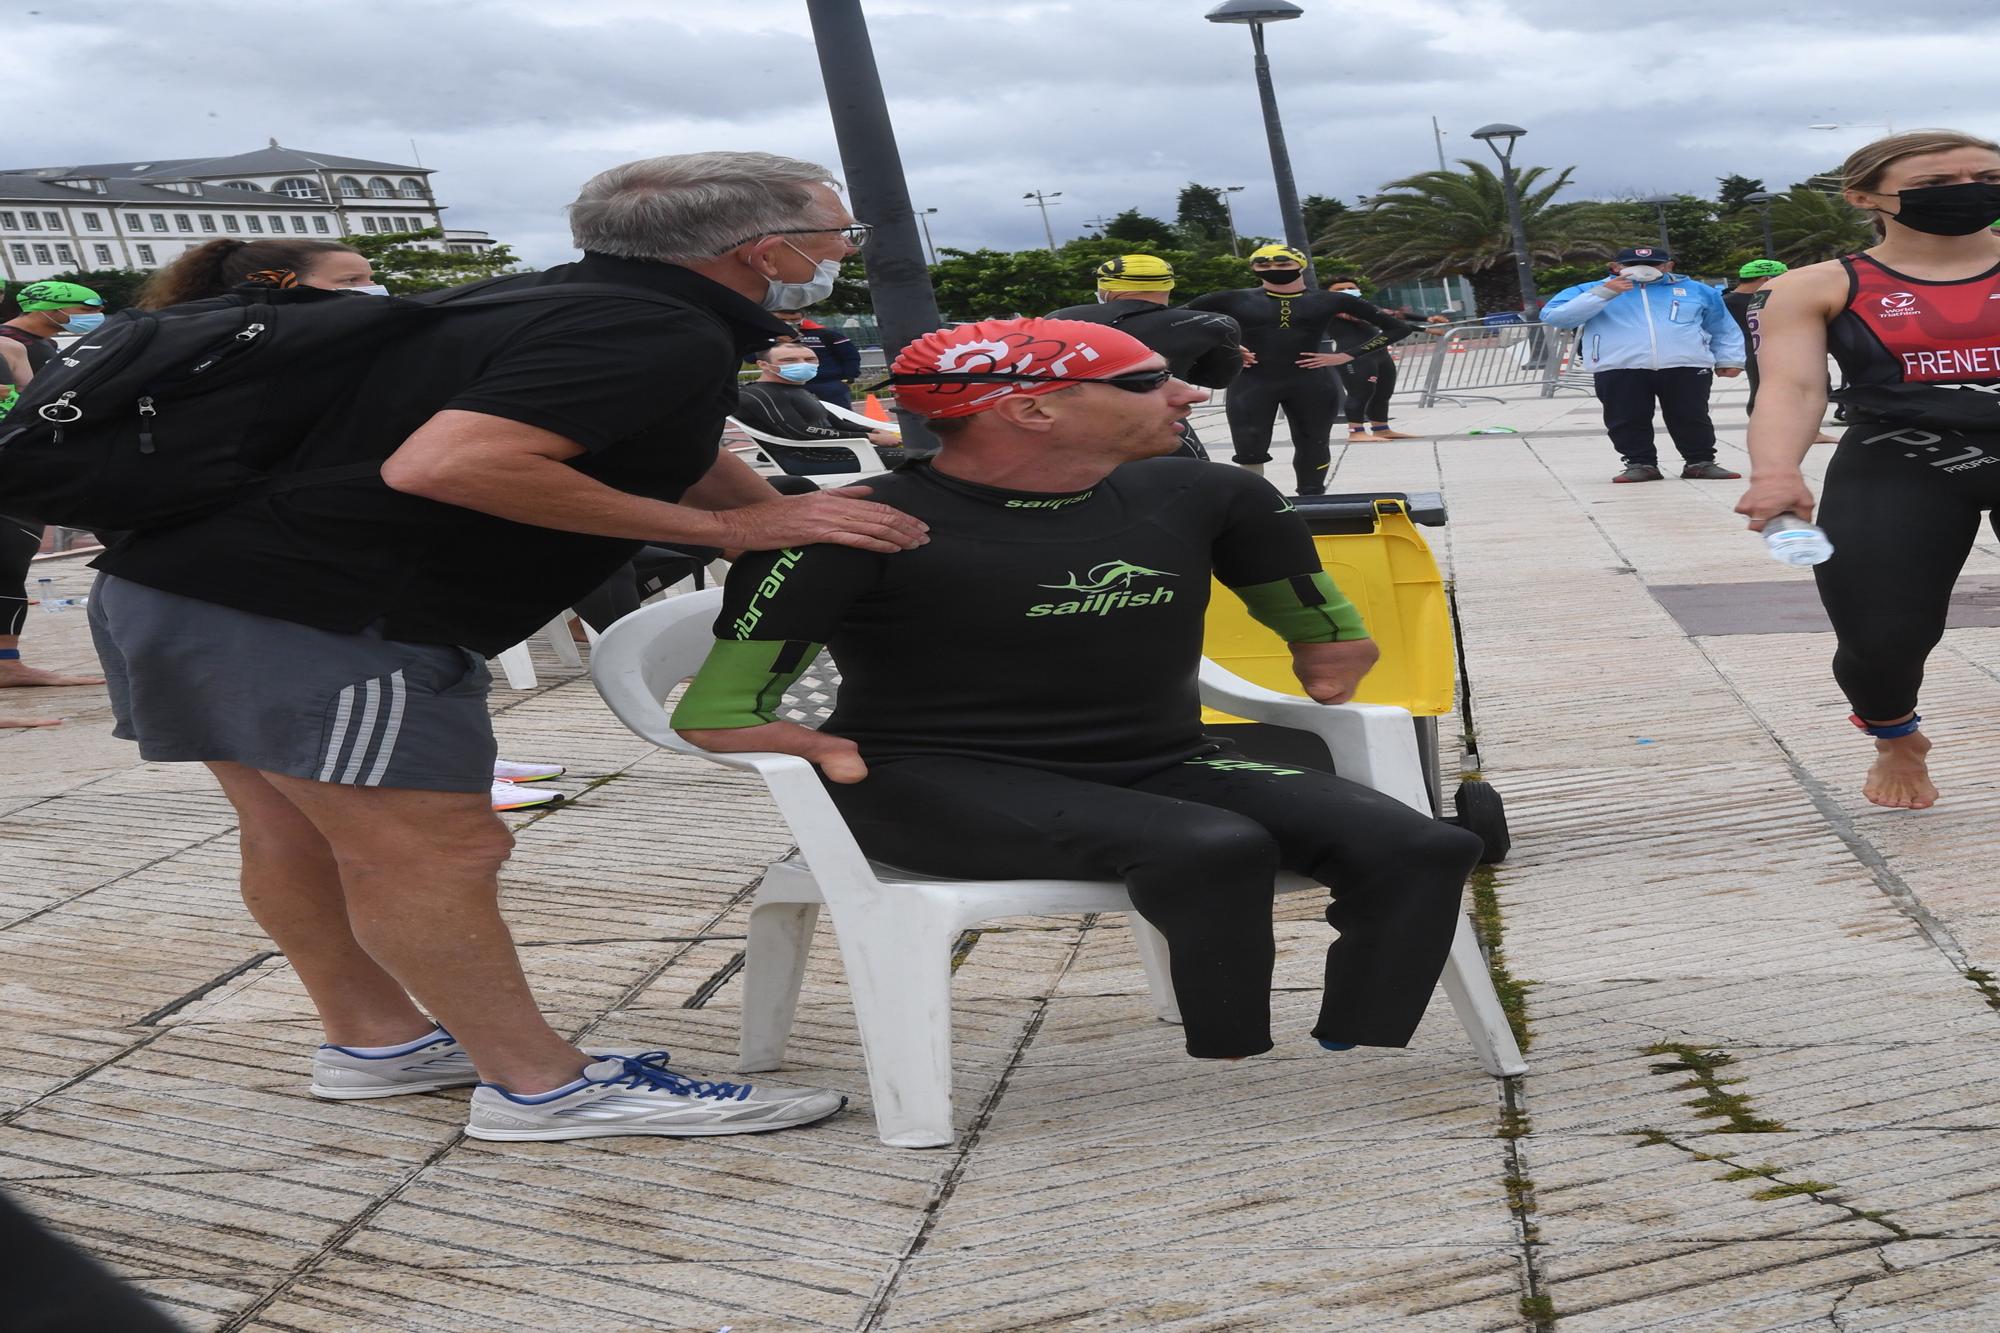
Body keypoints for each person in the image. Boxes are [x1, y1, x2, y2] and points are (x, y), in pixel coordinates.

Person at [86, 150, 932, 1141]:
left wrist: (785, 512)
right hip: (318, 615)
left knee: (299, 835)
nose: (843, 249)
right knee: (437, 848)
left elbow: (655, 436)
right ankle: (541, 1086)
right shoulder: (650, 328)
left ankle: (375, 1041)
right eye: (836, 230)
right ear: (762, 250)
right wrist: (732, 534)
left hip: (182, 586)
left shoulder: (561, 300)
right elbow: (448, 464)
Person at [673, 317, 1483, 1062]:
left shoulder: (1208, 494)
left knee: (1425, 845)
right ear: (1031, 410)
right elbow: (717, 714)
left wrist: (1333, 649)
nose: (1190, 393)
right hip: (934, 780)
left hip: (1162, 760)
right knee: (1212, 845)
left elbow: (1330, 638)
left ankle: (1358, 1037)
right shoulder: (858, 523)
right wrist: (814, 746)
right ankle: (1232, 1047)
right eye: (1143, 381)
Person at [136, 238, 573, 815]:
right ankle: (444, 778)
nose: (370, 293)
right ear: (278, 284)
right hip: (271, 588)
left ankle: (461, 767)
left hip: (177, 582)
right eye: (348, 283)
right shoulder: (294, 361)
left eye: (369, 278)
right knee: (374, 816)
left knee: (274, 814)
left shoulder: (201, 352)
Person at [1734, 129, 2000, 811]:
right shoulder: (1818, 285)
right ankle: (1895, 734)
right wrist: (1775, 471)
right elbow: (1791, 388)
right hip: (1901, 451)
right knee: (1881, 637)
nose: (1969, 191)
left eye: (1987, 175)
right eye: (1939, 183)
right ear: (1864, 196)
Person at [1184, 245, 1415, 494]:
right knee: (1249, 449)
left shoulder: (1332, 299)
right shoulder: (1232, 298)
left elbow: (1398, 328)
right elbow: (1174, 321)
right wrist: (1227, 346)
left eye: (1283, 265)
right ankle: (1255, 504)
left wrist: (1346, 355)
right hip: (1252, 382)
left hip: (1311, 382)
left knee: (1313, 444)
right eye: (1264, 266)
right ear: (1253, 268)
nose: (1273, 270)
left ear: (1300, 265)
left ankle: (1312, 497)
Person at [1541, 246, 1748, 483]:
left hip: (1686, 365)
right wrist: (1603, 293)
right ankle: (1640, 463)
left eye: (1654, 264)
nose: (1645, 270)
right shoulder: (1588, 290)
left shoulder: (1697, 290)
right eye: (1631, 265)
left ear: (1668, 266)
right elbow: (1555, 317)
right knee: (1626, 417)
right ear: (1615, 267)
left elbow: (1722, 326)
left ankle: (1700, 462)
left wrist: (1729, 359)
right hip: (1618, 366)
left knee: (1692, 415)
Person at [1, 281, 110, 723]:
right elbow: (20, 406)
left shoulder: (33, 345)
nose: (96, 313)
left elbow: (35, 402)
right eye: (88, 307)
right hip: (13, 467)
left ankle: (8, 665)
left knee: (10, 567)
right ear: (54, 307)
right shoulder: (8, 344)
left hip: (23, 468)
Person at [1045, 253, 1244, 459]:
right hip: (1158, 427)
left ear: (1105, 287)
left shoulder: (1058, 319)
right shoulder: (1211, 324)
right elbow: (1218, 380)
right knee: (1193, 483)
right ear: (1169, 285)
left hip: (1080, 428)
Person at [734, 341, 902, 475]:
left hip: (838, 451)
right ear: (764, 365)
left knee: (922, 452)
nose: (803, 364)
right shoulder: (758, 394)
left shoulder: (797, 389)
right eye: (789, 360)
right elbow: (799, 431)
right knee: (919, 458)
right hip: (808, 460)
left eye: (810, 359)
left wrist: (875, 431)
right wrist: (869, 437)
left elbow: (838, 424)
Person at [1726, 259, 1840, 444]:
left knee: (1813, 388)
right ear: (1766, 279)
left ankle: (1806, 432)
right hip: (1759, 350)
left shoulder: (1728, 300)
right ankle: (1771, 433)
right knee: (1763, 391)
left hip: (1776, 348)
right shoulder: (1761, 298)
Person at [1325, 278, 1421, 441]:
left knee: (1383, 393)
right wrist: (1380, 315)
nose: (1347, 290)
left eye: (1351, 287)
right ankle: (1356, 432)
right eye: (1340, 289)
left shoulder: (1364, 307)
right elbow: (1377, 317)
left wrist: (1427, 323)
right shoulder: (1331, 307)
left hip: (1379, 354)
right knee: (1359, 393)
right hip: (1352, 355)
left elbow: (1392, 316)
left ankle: (1381, 429)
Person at [768, 307, 861, 407]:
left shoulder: (826, 334)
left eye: (794, 320)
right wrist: (777, 342)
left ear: (803, 317)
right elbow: (752, 358)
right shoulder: (766, 336)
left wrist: (848, 377)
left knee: (840, 418)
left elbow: (850, 356)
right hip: (784, 385)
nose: (788, 323)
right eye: (782, 320)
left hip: (827, 384)